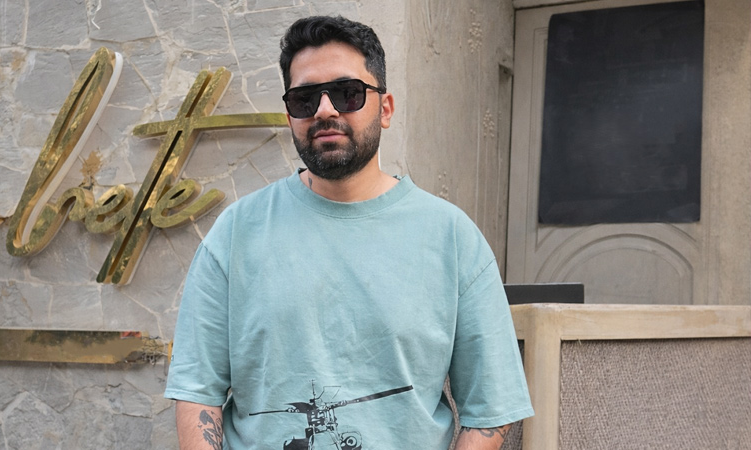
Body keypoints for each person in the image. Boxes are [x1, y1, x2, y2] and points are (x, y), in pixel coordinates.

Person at [164, 15, 533, 450]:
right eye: (304, 99)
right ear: (290, 115)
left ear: (386, 108)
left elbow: (490, 410)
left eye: (347, 93)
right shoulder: (235, 233)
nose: (325, 110)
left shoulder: (452, 239)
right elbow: (197, 392)